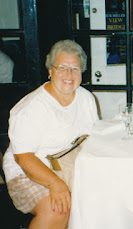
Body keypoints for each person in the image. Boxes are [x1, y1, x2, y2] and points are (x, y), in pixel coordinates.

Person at [3, 39, 99, 228]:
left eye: (75, 68)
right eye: (62, 67)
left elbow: (92, 139)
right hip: (29, 171)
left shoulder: (86, 98)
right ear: (50, 70)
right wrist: (55, 183)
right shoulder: (32, 108)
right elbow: (23, 158)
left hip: (68, 165)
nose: (69, 74)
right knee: (58, 210)